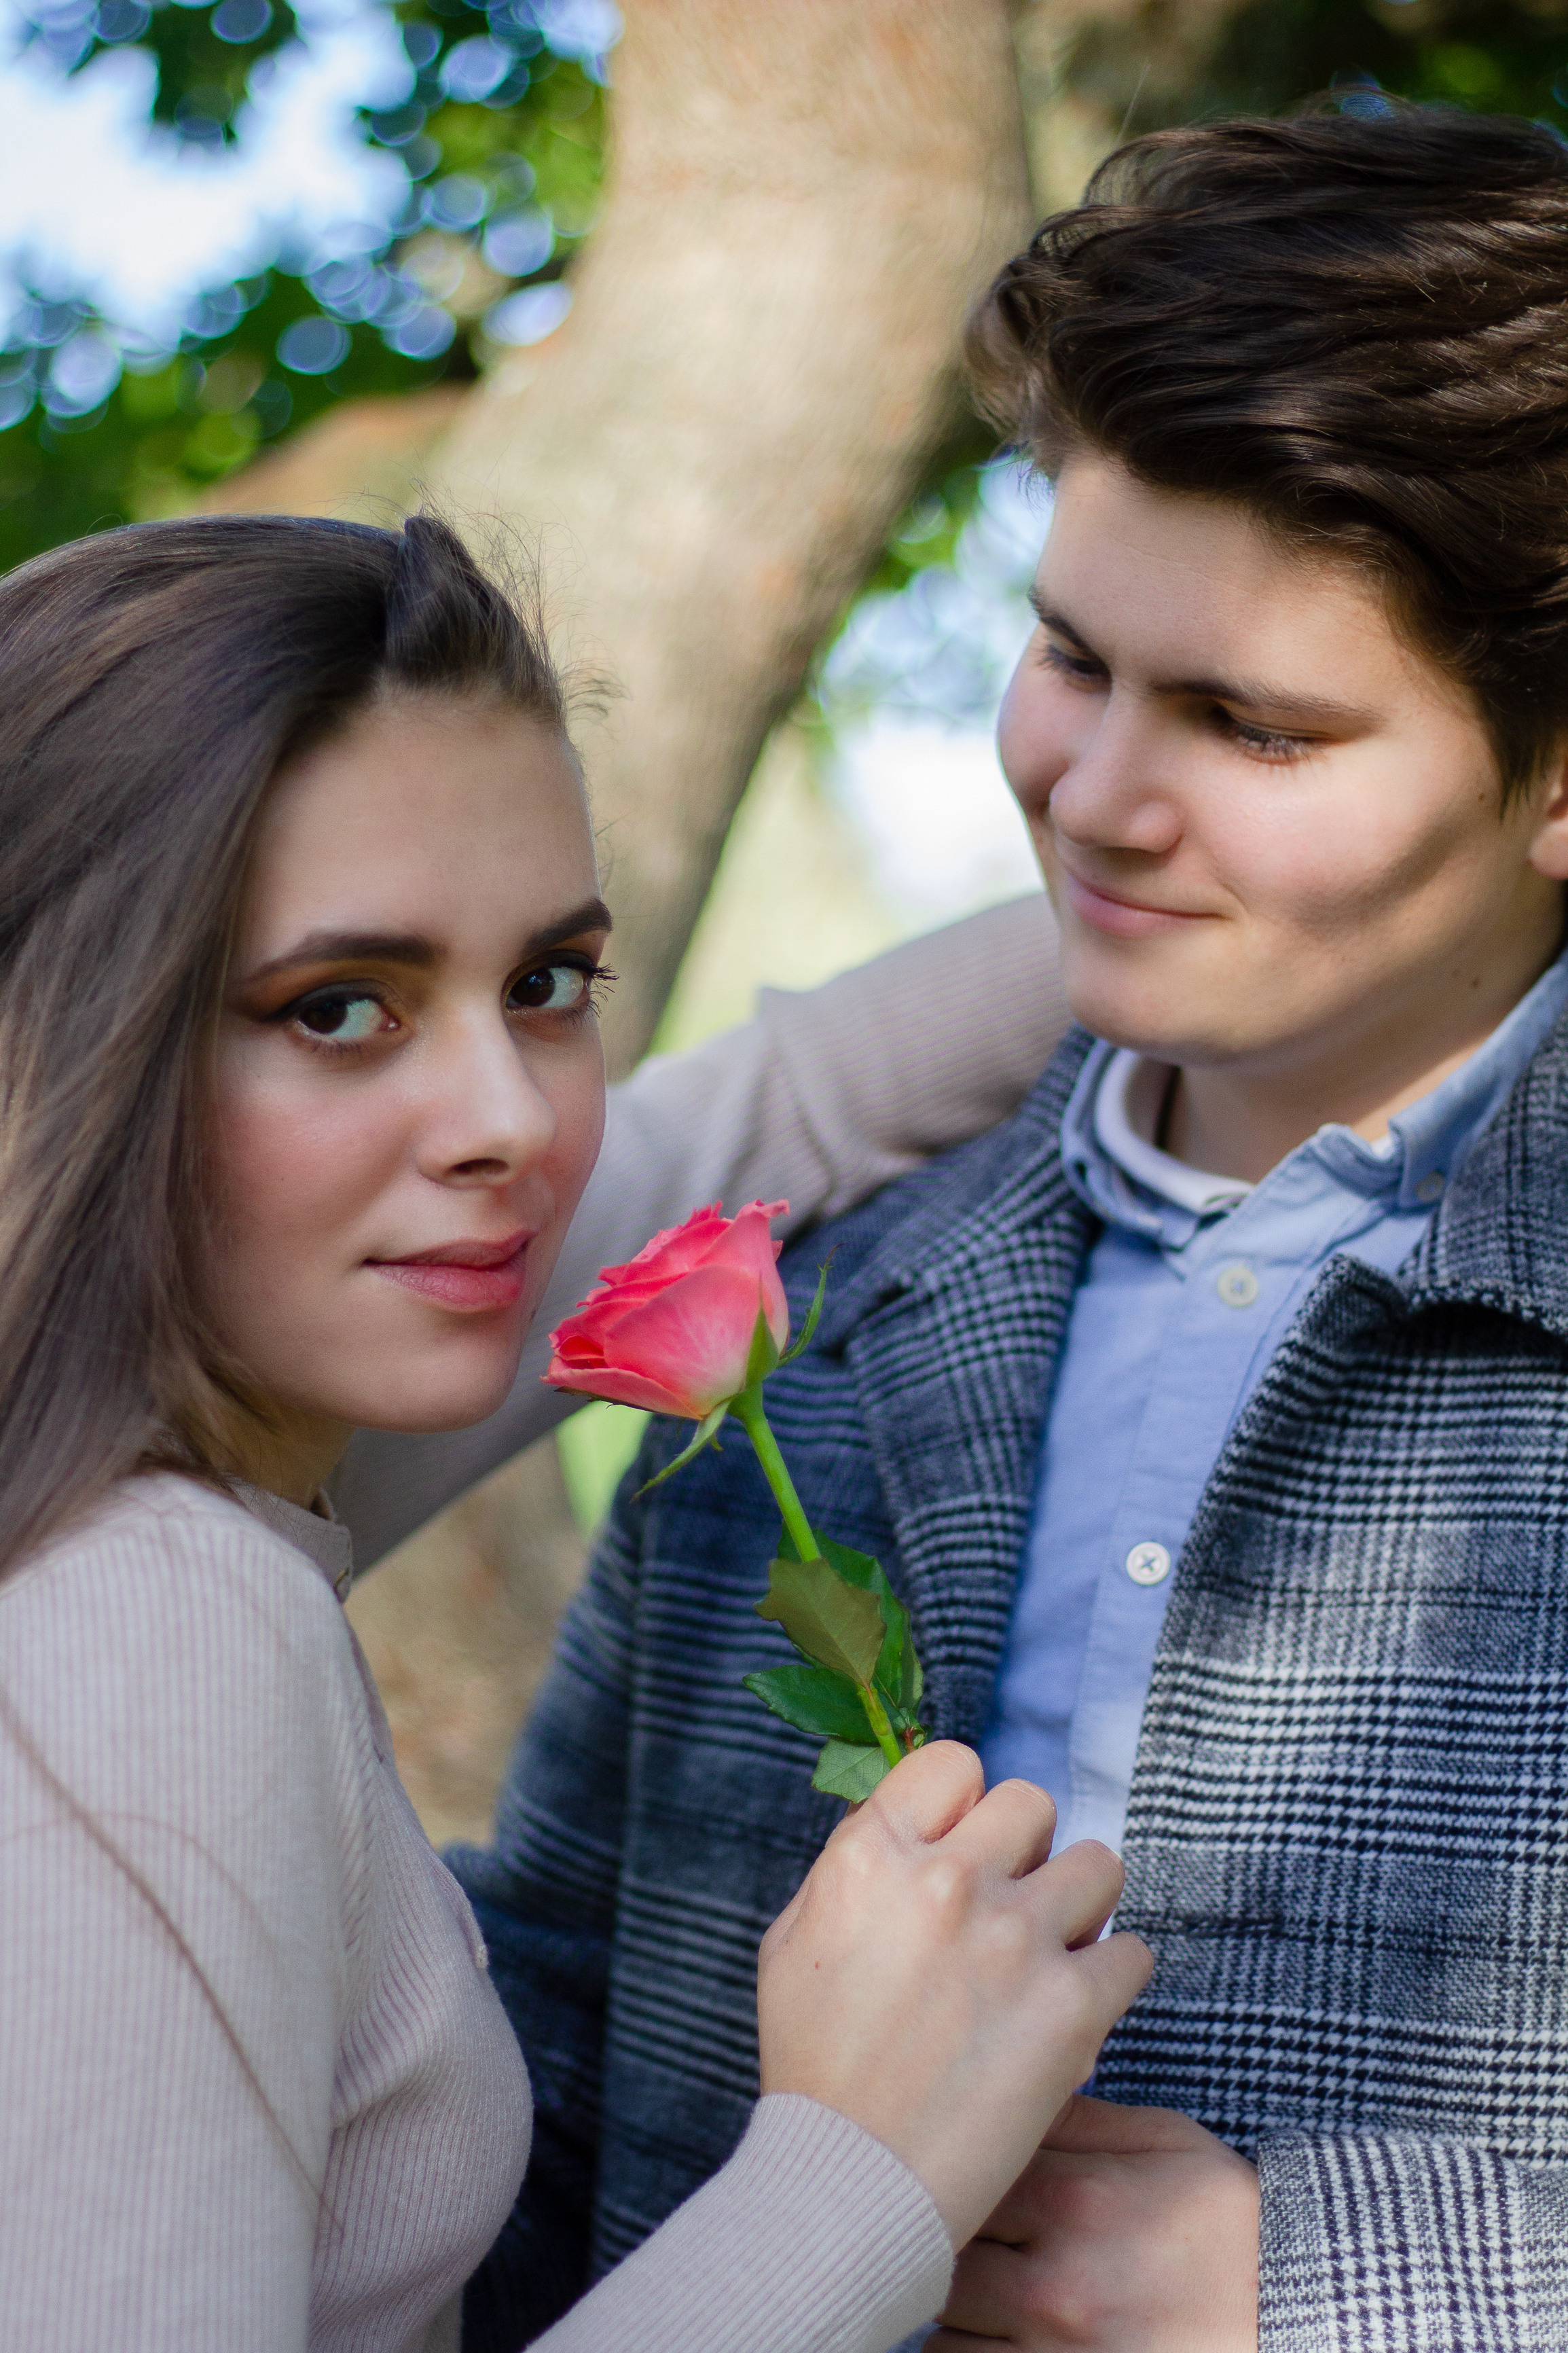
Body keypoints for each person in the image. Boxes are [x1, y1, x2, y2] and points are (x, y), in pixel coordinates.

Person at [357, 105, 1568, 2353]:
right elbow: (568, 2028)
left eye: (1252, 727)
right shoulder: (816, 1301)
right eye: (1071, 655)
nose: (1092, 798)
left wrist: (1331, 2282)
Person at [0, 511, 1154, 2352]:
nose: (511, 1123)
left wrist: (1245, 897)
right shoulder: (144, 1616)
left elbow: (789, 1102)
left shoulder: (188, 1438)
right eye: (340, 1008)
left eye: (546, 984)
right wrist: (855, 2173)